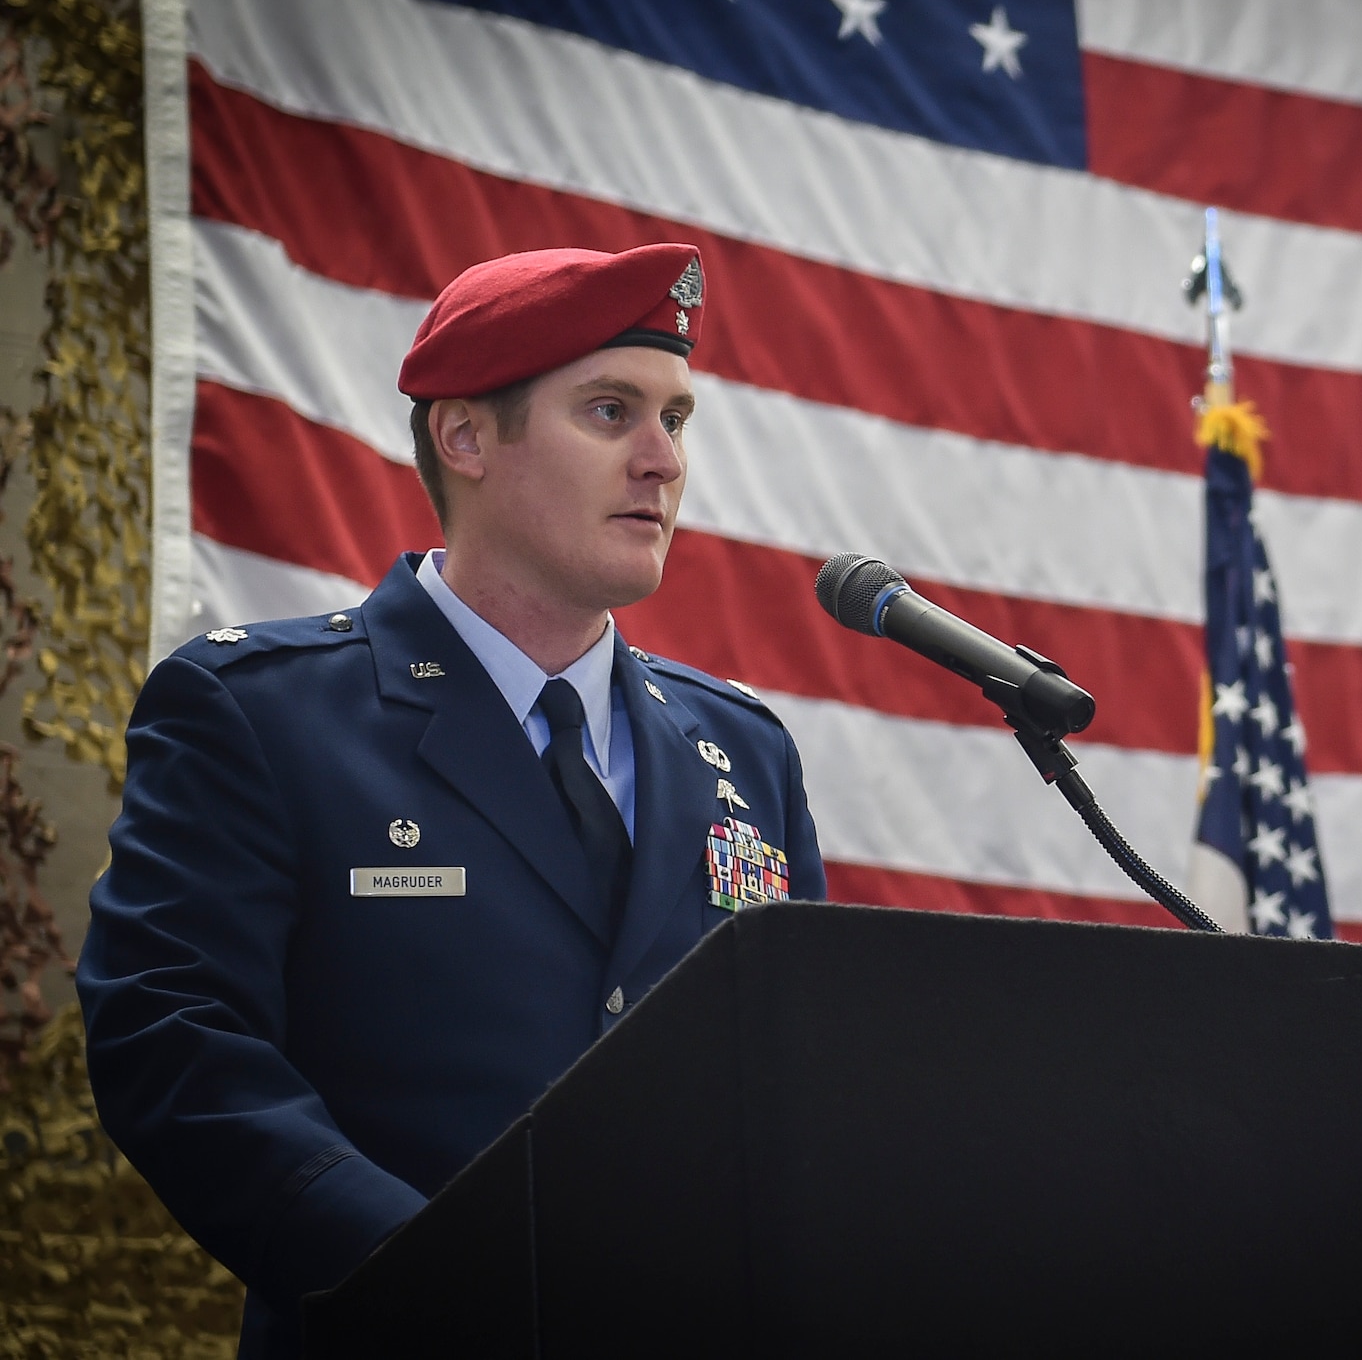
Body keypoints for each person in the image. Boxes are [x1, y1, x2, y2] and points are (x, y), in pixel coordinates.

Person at [76, 243, 826, 1359]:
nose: (663, 460)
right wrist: (429, 1279)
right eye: (612, 411)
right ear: (464, 436)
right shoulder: (262, 715)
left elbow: (802, 1080)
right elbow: (175, 1038)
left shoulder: (742, 749)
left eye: (678, 418)